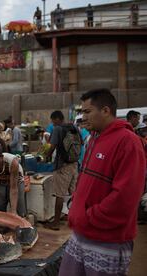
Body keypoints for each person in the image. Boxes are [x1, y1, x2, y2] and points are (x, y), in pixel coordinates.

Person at [59, 88, 146, 276]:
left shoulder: (128, 142)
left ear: (106, 111)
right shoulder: (93, 140)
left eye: (87, 112)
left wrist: (87, 217)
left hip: (108, 240)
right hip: (81, 234)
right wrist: (75, 206)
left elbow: (125, 198)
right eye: (82, 112)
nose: (83, 117)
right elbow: (87, 181)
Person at [45, 110, 80, 230]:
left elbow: (52, 146)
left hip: (63, 166)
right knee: (74, 193)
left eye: (53, 121)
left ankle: (55, 223)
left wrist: (46, 156)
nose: (52, 124)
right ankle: (76, 219)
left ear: (56, 119)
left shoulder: (58, 129)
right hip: (74, 164)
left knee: (59, 194)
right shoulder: (73, 127)